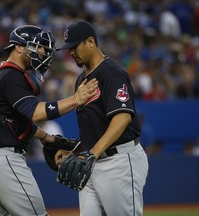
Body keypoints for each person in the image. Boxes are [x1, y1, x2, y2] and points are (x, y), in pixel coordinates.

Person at [0, 24, 98, 216]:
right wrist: (76, 99)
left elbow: (13, 122)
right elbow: (36, 113)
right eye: (38, 47)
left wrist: (48, 138)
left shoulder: (1, 73)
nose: (42, 53)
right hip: (3, 163)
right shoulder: (11, 75)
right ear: (19, 47)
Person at [56, 20, 149, 216]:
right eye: (68, 48)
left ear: (90, 42)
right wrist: (76, 152)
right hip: (92, 163)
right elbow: (94, 129)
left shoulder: (112, 73)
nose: (71, 52)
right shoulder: (81, 80)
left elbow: (122, 117)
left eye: (74, 46)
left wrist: (92, 153)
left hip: (119, 162)